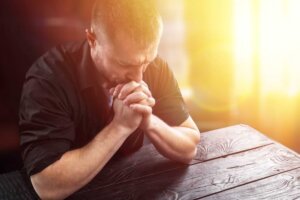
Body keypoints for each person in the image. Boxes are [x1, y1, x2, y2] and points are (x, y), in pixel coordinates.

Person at [19, 0, 200, 199]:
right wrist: (120, 126)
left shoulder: (155, 67)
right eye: (124, 64)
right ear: (92, 39)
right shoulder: (47, 80)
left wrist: (149, 122)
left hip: (131, 184)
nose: (138, 77)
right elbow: (46, 186)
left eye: (146, 61)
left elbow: (190, 146)